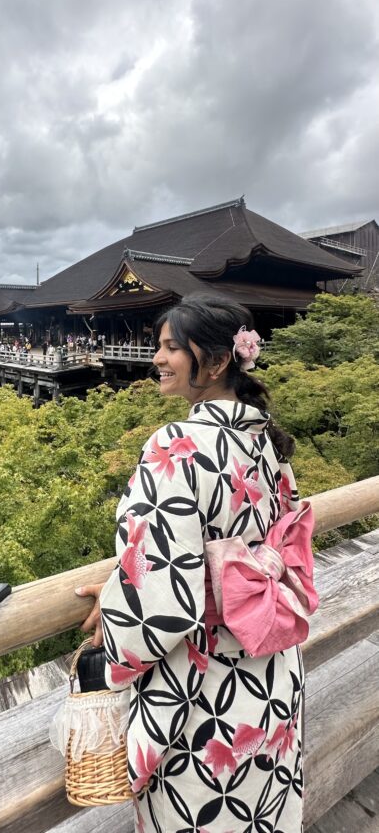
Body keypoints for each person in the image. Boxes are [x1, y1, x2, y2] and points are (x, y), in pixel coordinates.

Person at [76, 294, 317, 833]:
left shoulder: (177, 445)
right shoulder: (267, 442)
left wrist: (117, 592)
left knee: (202, 816)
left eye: (169, 348)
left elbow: (159, 592)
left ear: (214, 361)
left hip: (207, 694)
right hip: (270, 674)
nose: (157, 358)